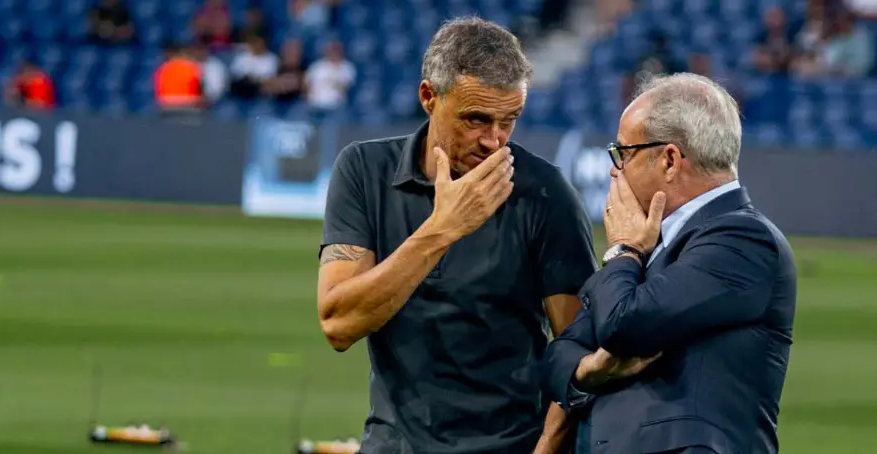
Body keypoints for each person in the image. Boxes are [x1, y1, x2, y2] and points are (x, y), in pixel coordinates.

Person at [316, 17, 596, 454]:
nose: (494, 140)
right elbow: (338, 323)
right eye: (476, 119)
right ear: (429, 97)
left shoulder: (546, 195)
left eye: (510, 120)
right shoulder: (365, 172)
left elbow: (579, 355)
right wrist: (440, 231)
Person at [540, 73, 798, 454]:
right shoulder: (652, 241)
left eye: (624, 153)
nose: (616, 170)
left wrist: (623, 250)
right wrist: (585, 371)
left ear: (670, 160)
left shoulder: (743, 240)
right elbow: (561, 352)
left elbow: (622, 325)